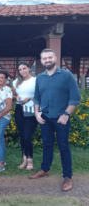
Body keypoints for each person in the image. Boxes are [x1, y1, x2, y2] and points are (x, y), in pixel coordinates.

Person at [29, 49, 80, 192]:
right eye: (44, 58)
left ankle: (68, 177)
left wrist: (66, 114)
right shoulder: (39, 77)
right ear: (41, 61)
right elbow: (37, 97)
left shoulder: (66, 75)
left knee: (63, 146)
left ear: (55, 58)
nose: (47, 60)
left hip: (61, 117)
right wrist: (37, 113)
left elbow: (75, 98)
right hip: (45, 117)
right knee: (47, 144)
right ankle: (45, 169)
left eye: (49, 57)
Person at [12, 61, 38, 171]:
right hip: (19, 109)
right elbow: (13, 95)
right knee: (22, 136)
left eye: (24, 68)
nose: (22, 71)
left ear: (29, 68)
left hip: (31, 109)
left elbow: (40, 96)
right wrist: (16, 98)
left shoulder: (35, 81)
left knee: (27, 136)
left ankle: (30, 159)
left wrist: (30, 99)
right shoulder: (16, 82)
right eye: (20, 69)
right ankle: (24, 159)